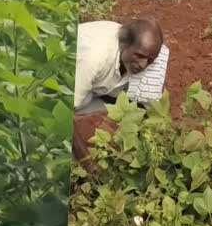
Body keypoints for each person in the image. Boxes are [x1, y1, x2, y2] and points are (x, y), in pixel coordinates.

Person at [72, 19, 168, 167]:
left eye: (150, 60)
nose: (144, 65)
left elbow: (151, 106)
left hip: (99, 83)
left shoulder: (150, 55)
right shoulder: (94, 57)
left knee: (138, 104)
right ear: (124, 44)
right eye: (139, 56)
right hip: (64, 78)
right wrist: (87, 162)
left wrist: (154, 145)